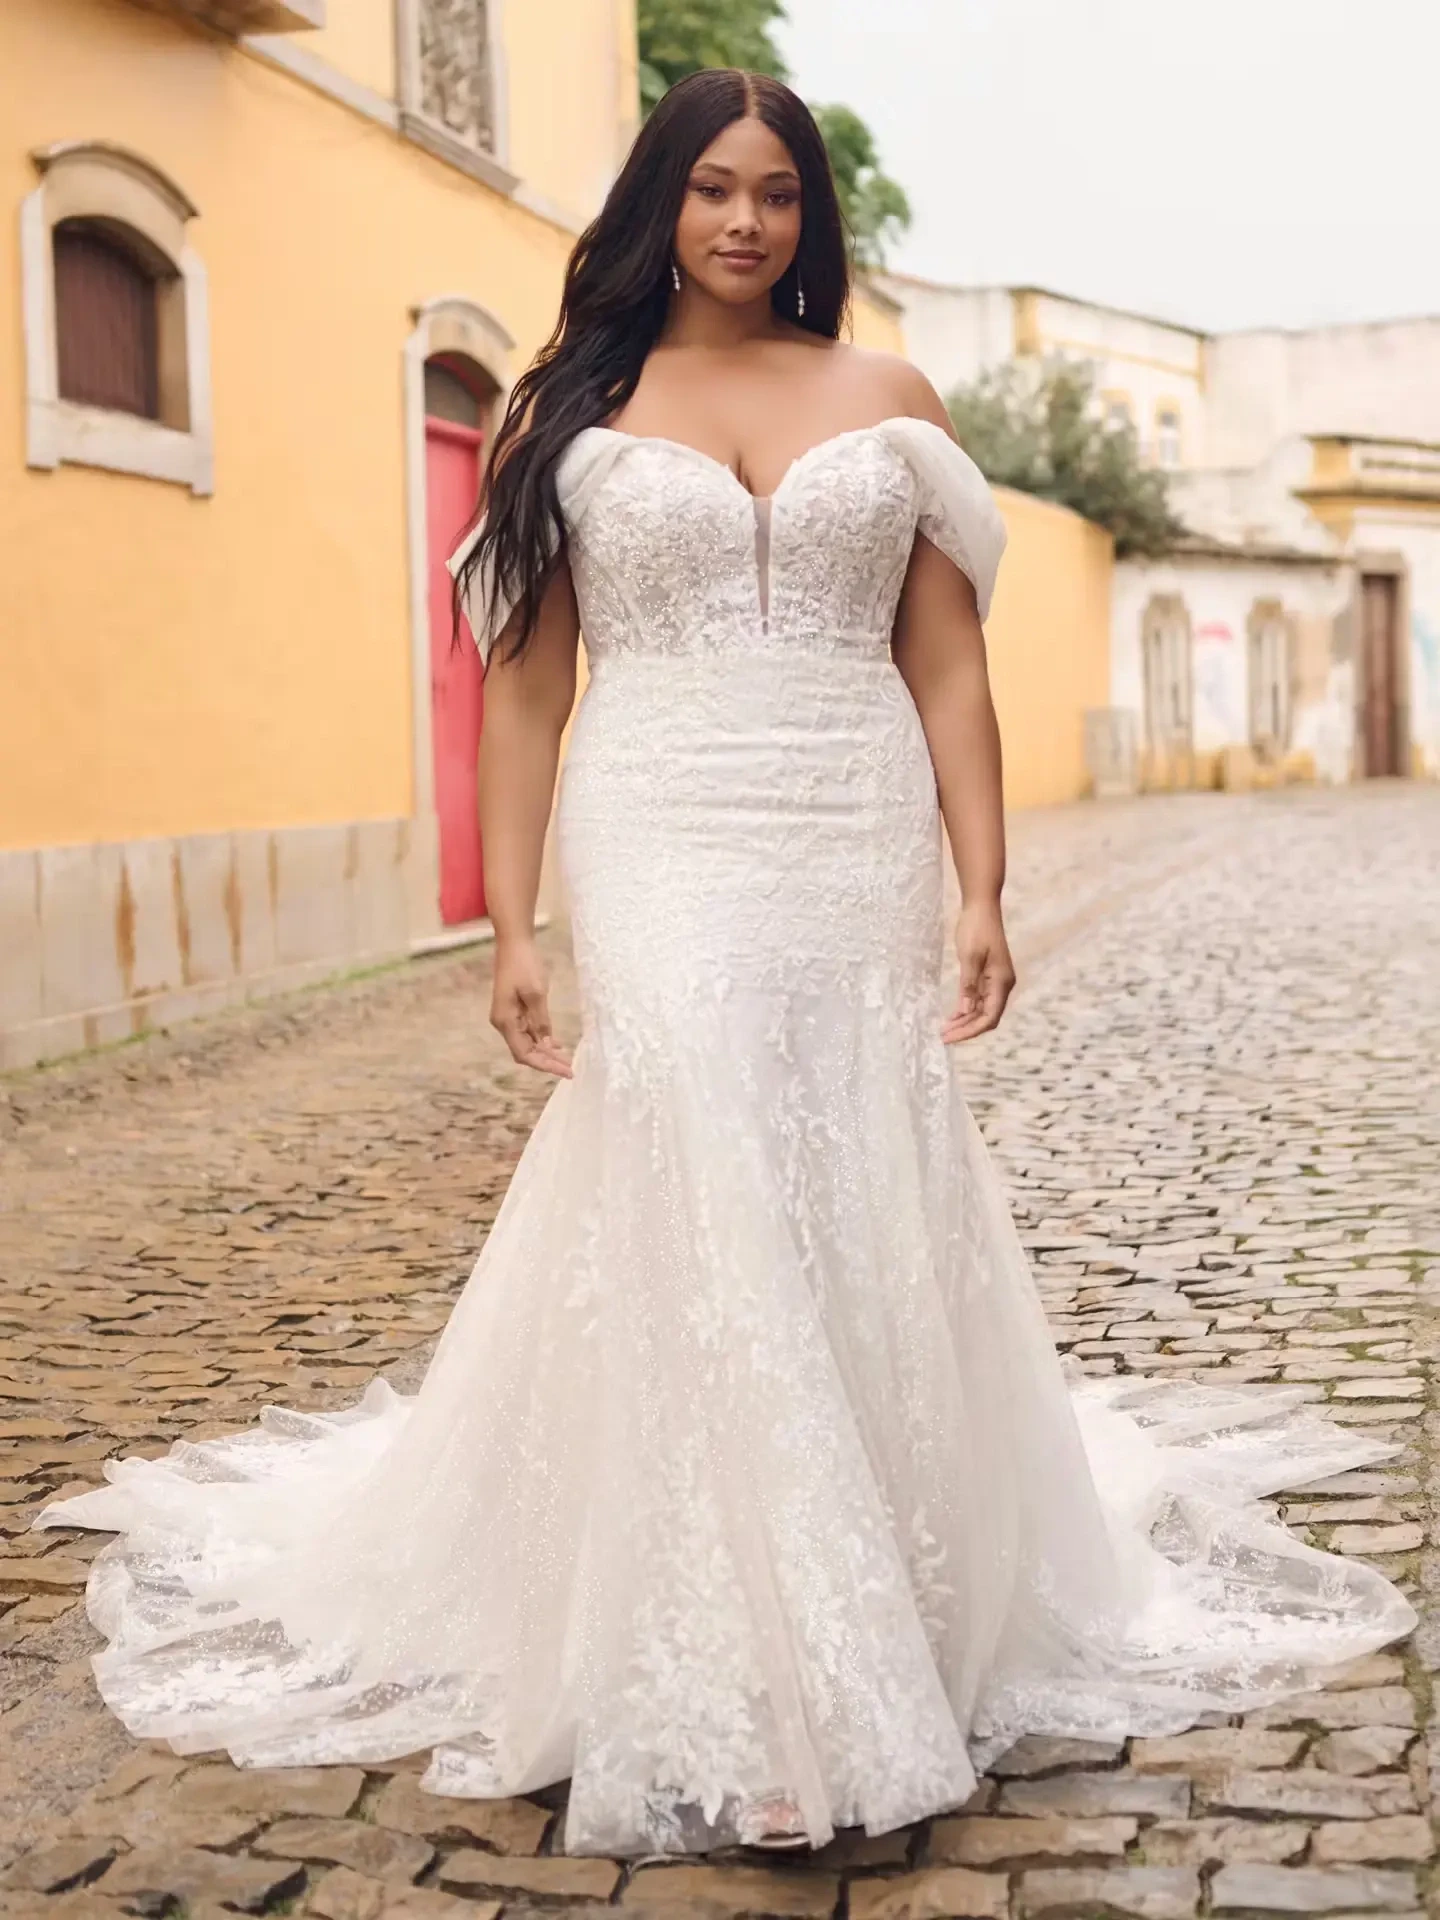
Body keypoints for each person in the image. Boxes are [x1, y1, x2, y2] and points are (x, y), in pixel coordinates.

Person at [39, 68, 1413, 1860]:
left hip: (847, 821)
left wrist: (982, 886)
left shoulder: (888, 399)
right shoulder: (577, 411)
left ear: (809, 217)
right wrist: (514, 921)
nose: (746, 222)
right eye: (711, 190)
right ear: (658, 206)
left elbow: (944, 668)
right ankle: (774, 1677)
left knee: (842, 1163)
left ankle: (880, 1599)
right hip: (662, 819)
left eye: (776, 192)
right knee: (703, 1149)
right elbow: (528, 689)